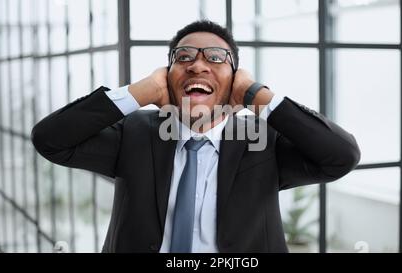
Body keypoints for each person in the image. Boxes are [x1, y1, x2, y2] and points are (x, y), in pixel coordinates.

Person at [31, 20, 360, 253]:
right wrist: (139, 92)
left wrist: (256, 95)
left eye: (216, 58)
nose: (198, 66)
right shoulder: (134, 133)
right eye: (184, 57)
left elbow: (340, 156)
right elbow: (50, 140)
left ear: (234, 80)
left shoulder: (264, 140)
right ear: (167, 77)